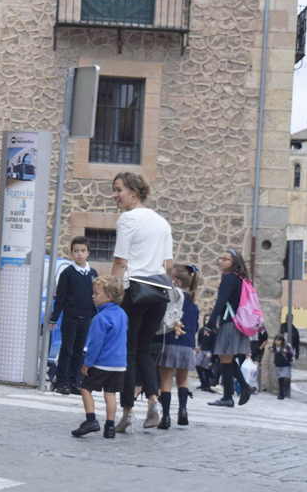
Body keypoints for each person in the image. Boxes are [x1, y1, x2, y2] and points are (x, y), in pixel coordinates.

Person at [110, 172, 173, 433]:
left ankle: (127, 411)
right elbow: (168, 266)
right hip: (158, 293)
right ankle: (154, 401)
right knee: (144, 349)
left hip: (135, 291)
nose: (115, 196)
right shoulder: (162, 223)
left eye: (119, 190)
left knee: (127, 350)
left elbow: (120, 263)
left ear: (133, 192)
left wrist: (112, 298)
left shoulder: (128, 219)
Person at [71, 275, 128, 438]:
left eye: (96, 293)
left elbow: (96, 344)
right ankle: (110, 426)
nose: (93, 296)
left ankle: (91, 419)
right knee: (110, 393)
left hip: (102, 362)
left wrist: (87, 363)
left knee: (85, 387)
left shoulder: (100, 318)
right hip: (119, 364)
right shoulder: (122, 314)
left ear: (108, 297)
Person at [49, 236, 98, 396]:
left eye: (83, 251)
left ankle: (74, 381)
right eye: (76, 251)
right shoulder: (67, 273)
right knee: (67, 349)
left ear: (88, 252)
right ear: (71, 253)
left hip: (86, 318)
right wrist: (54, 317)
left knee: (79, 351)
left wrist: (95, 316)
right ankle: (62, 381)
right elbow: (60, 297)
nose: (80, 254)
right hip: (70, 317)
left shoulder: (92, 273)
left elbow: (95, 296)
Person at [206, 249, 254, 407]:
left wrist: (211, 322)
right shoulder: (240, 279)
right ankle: (231, 394)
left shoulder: (229, 278)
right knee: (226, 358)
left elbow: (221, 301)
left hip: (230, 322)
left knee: (225, 356)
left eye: (225, 259)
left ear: (234, 263)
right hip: (235, 321)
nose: (221, 261)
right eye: (221, 258)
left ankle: (236, 392)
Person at [157, 264, 200, 428]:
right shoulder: (193, 301)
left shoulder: (171, 298)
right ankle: (183, 411)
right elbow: (195, 327)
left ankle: (166, 417)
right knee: (183, 380)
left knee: (166, 381)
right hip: (187, 345)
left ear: (175, 282)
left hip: (170, 342)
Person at [271, 334, 294, 400]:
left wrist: (286, 352)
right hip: (278, 364)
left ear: (282, 341)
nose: (277, 342)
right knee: (280, 379)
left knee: (283, 378)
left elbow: (291, 354)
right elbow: (271, 349)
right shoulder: (275, 347)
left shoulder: (286, 347)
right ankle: (281, 393)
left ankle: (282, 393)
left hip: (285, 364)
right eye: (276, 340)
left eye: (279, 340)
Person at [194, 323, 216, 392]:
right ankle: (202, 382)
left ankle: (207, 384)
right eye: (206, 319)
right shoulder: (201, 330)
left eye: (208, 319)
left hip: (209, 351)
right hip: (202, 350)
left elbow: (215, 343)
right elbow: (199, 339)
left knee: (206, 367)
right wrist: (199, 346)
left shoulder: (213, 331)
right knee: (197, 365)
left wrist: (211, 352)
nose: (207, 321)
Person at [248, 325, 269, 393]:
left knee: (255, 365)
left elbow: (265, 340)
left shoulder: (261, 327)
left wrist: (259, 349)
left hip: (258, 351)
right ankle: (247, 384)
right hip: (249, 350)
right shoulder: (248, 325)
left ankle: (255, 385)